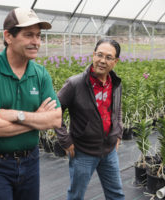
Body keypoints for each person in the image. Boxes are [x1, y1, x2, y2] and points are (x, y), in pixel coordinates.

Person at [0, 7, 61, 200]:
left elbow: (55, 119)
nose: (36, 42)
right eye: (28, 35)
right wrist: (37, 118)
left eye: (38, 35)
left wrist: (15, 115)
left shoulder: (40, 73)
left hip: (31, 160)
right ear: (8, 36)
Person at [55, 38, 125, 200]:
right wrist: (65, 140)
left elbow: (117, 109)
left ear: (115, 61)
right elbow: (55, 109)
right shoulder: (75, 84)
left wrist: (118, 132)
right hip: (83, 152)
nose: (102, 61)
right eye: (99, 55)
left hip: (109, 151)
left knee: (116, 195)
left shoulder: (115, 83)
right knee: (76, 196)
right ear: (93, 55)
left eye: (108, 57)